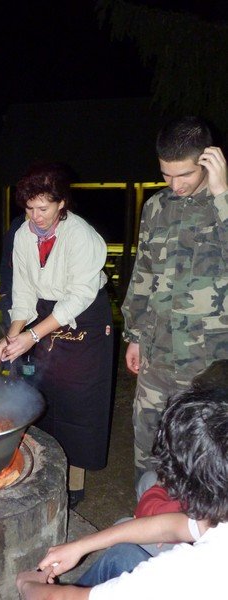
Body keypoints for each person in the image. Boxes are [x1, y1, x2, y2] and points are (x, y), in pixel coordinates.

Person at [16, 383, 228, 599]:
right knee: (121, 555)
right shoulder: (219, 515)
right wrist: (80, 547)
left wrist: (26, 585)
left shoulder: (187, 569)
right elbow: (169, 526)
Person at [0, 162, 114, 507]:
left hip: (85, 319)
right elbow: (23, 292)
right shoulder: (23, 235)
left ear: (61, 203)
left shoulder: (81, 236)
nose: (36, 217)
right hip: (45, 315)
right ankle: (48, 473)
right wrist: (13, 335)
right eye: (30, 208)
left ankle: (74, 482)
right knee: (46, 393)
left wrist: (32, 336)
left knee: (78, 401)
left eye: (43, 208)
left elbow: (78, 297)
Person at [121, 116, 228, 484]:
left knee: (201, 458)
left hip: (210, 364)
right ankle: (147, 508)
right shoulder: (156, 207)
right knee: (147, 446)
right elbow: (143, 275)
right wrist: (135, 335)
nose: (175, 184)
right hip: (157, 355)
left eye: (184, 174)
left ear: (209, 159)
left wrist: (222, 194)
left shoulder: (224, 202)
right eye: (166, 174)